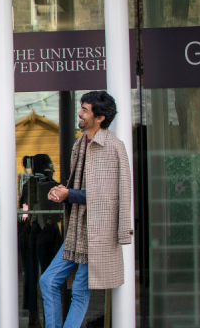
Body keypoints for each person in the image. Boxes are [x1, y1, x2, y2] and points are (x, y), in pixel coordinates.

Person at [39, 91, 134, 328]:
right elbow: (81, 187)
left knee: (80, 290)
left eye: (85, 109)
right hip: (77, 231)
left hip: (98, 233)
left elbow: (108, 197)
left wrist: (68, 194)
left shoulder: (113, 147)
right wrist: (62, 192)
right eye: (81, 107)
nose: (80, 113)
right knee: (48, 280)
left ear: (100, 117)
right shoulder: (80, 144)